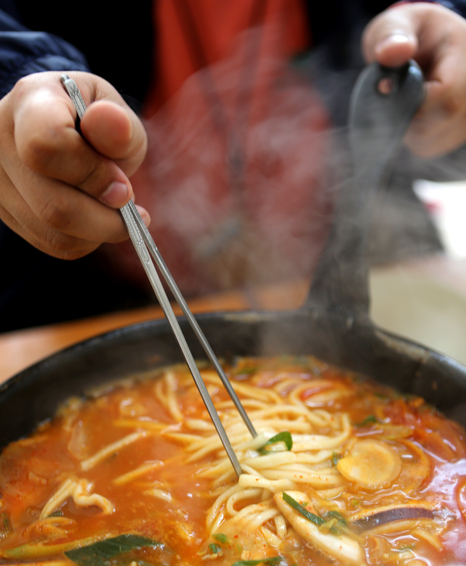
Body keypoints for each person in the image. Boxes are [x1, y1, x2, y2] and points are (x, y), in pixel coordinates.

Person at [0, 1, 466, 331]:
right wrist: (19, 81)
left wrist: (447, 43)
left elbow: (440, 36)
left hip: (365, 276)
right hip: (98, 301)